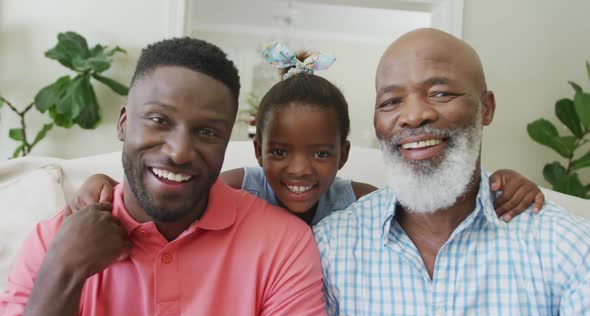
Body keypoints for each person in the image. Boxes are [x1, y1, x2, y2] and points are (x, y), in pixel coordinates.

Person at [0, 37, 331, 316]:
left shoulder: (284, 245)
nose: (180, 152)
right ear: (124, 123)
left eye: (207, 132)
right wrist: (63, 272)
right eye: (159, 120)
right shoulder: (53, 243)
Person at [67, 42, 544, 227]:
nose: (298, 169)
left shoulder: (358, 200)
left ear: (343, 155)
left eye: (319, 152)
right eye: (278, 151)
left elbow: (432, 199)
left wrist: (503, 182)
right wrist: (106, 187)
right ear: (257, 150)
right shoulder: (239, 186)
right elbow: (171, 187)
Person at [313, 28, 590, 316]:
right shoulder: (332, 247)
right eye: (391, 101)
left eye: (440, 93)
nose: (414, 115)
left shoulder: (566, 247)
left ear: (487, 107)